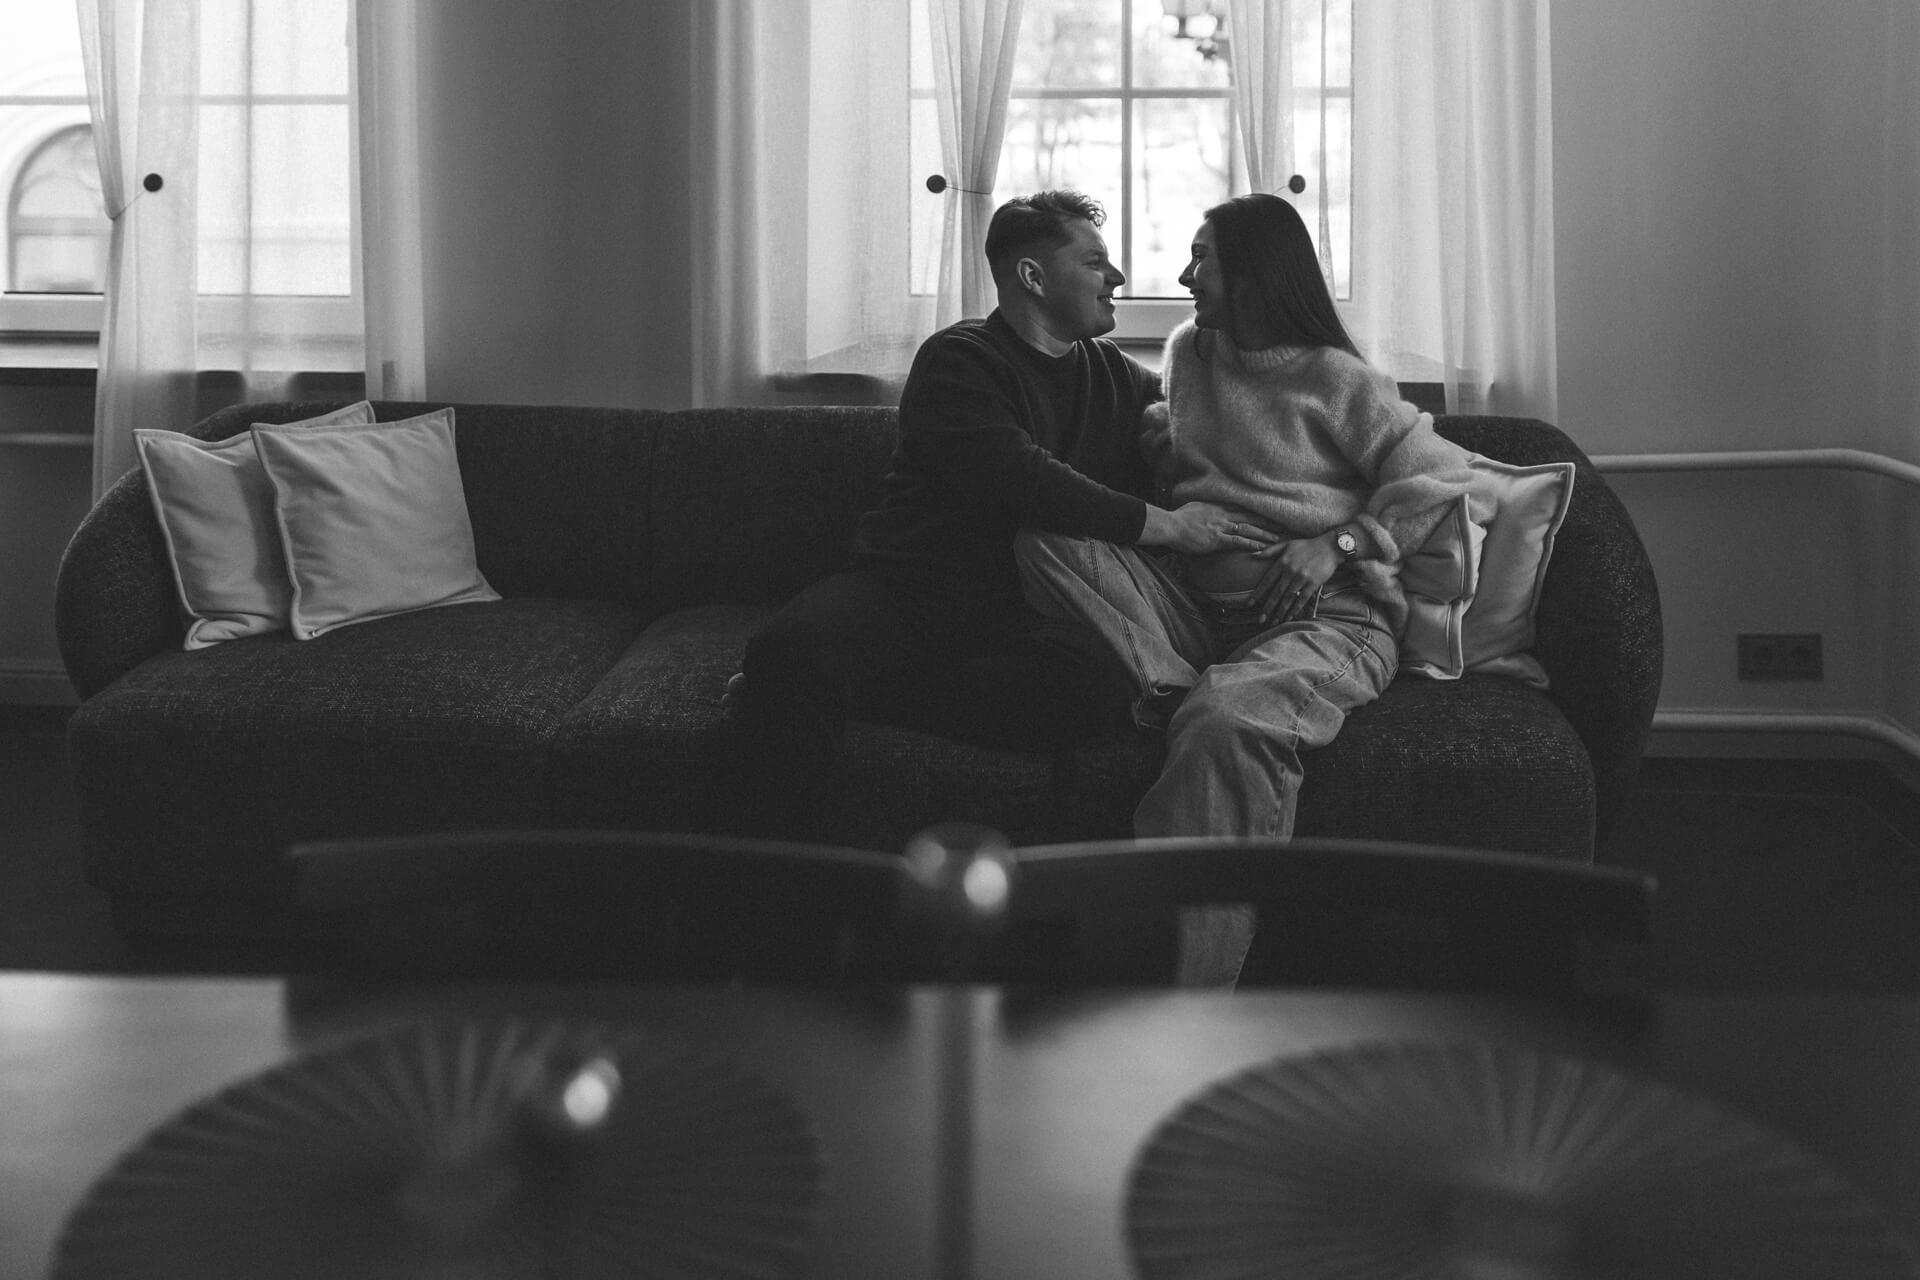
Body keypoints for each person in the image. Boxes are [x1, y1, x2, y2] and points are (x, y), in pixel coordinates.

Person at [1014, 192, 1477, 984]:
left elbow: (1440, 476)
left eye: (1204, 260)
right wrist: (1162, 456)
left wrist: (1336, 544)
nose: (1185, 276)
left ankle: (1184, 1006)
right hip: (1191, 616)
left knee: (1226, 721)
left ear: (1256, 277)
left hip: (1328, 621)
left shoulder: (1336, 378)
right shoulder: (1190, 352)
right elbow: (1182, 436)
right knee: (1043, 537)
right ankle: (1177, 686)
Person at [724, 190, 1266, 843]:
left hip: (1022, 609)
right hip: (911, 589)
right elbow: (1022, 478)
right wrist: (1170, 524)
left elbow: (1208, 425)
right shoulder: (961, 358)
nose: (1117, 277)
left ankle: (862, 695)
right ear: (1032, 277)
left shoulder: (1114, 375)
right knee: (788, 652)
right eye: (1095, 262)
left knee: (1098, 684)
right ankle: (763, 886)